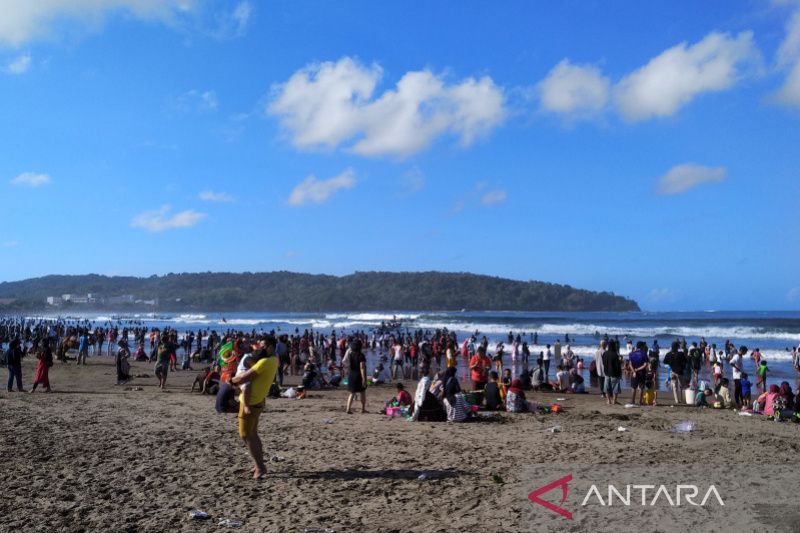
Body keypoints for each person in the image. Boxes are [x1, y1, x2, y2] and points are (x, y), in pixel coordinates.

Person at [230, 337, 278, 480]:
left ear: (270, 347)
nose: (259, 348)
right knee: (253, 433)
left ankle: (260, 467)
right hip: (258, 400)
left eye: (263, 346)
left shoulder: (264, 362)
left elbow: (244, 377)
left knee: (246, 435)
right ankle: (258, 464)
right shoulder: (273, 359)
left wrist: (229, 381)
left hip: (250, 402)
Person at [344, 339, 367, 414]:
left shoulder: (350, 354)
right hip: (358, 375)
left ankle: (348, 409)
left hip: (351, 374)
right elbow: (362, 368)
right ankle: (363, 409)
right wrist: (364, 379)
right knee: (362, 392)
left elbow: (347, 363)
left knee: (352, 393)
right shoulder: (361, 355)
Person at [602, 340, 622, 405]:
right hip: (615, 374)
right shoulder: (615, 355)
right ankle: (614, 401)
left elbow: (603, 363)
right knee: (615, 388)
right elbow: (617, 366)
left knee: (607, 388)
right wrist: (620, 374)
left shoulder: (605, 353)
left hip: (607, 373)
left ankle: (608, 401)